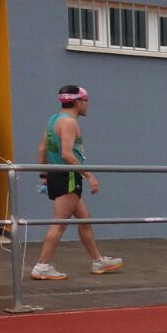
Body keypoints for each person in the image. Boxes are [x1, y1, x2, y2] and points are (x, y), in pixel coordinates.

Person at [29, 86, 123, 282]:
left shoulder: (53, 120)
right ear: (78, 101)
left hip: (57, 175)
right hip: (68, 176)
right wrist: (89, 176)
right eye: (86, 101)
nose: (88, 104)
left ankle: (97, 260)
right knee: (59, 224)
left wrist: (44, 175)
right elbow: (67, 154)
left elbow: (42, 149)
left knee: (84, 219)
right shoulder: (69, 123)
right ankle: (42, 266)